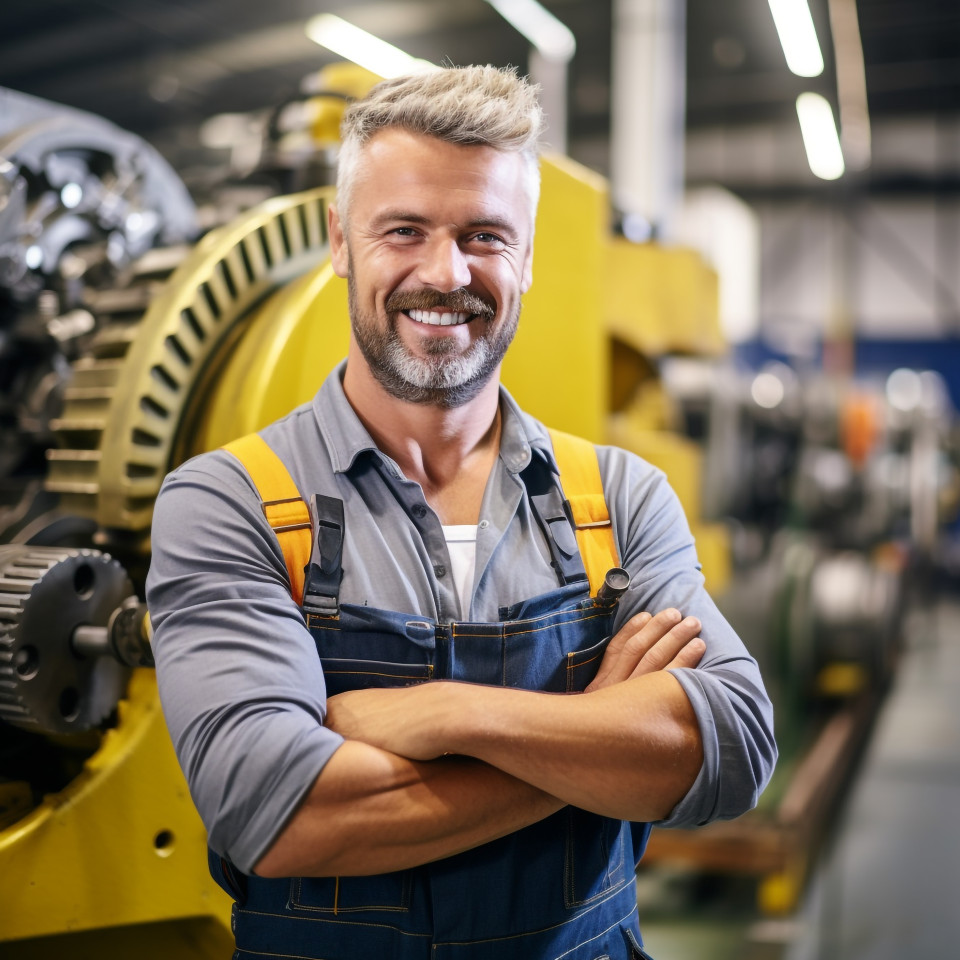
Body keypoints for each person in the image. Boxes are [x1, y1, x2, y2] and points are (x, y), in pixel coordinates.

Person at [147, 65, 776, 960]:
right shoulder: (230, 503)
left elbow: (735, 747)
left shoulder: (619, 499)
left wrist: (448, 714)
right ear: (340, 241)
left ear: (527, 258)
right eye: (404, 230)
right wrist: (598, 731)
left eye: (485, 236)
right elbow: (276, 814)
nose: (446, 274)